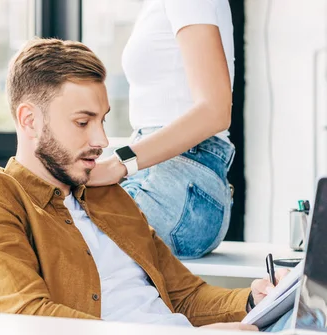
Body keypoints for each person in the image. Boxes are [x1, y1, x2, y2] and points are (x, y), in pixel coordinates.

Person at [0, 37, 282, 330]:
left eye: (102, 120)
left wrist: (254, 299)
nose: (102, 139)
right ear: (29, 120)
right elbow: (28, 318)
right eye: (83, 122)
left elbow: (186, 296)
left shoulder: (108, 196)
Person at [87, 0, 237, 260]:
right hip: (164, 177)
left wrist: (117, 164)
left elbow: (215, 111)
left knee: (47, 237)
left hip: (181, 181)